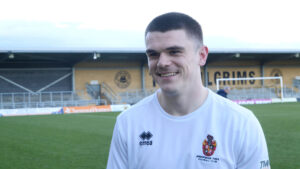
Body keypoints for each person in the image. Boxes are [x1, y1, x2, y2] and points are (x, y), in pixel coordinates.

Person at [106, 12, 270, 169]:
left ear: (202, 55)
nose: (162, 62)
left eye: (174, 51)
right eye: (153, 54)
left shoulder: (241, 123)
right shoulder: (128, 123)